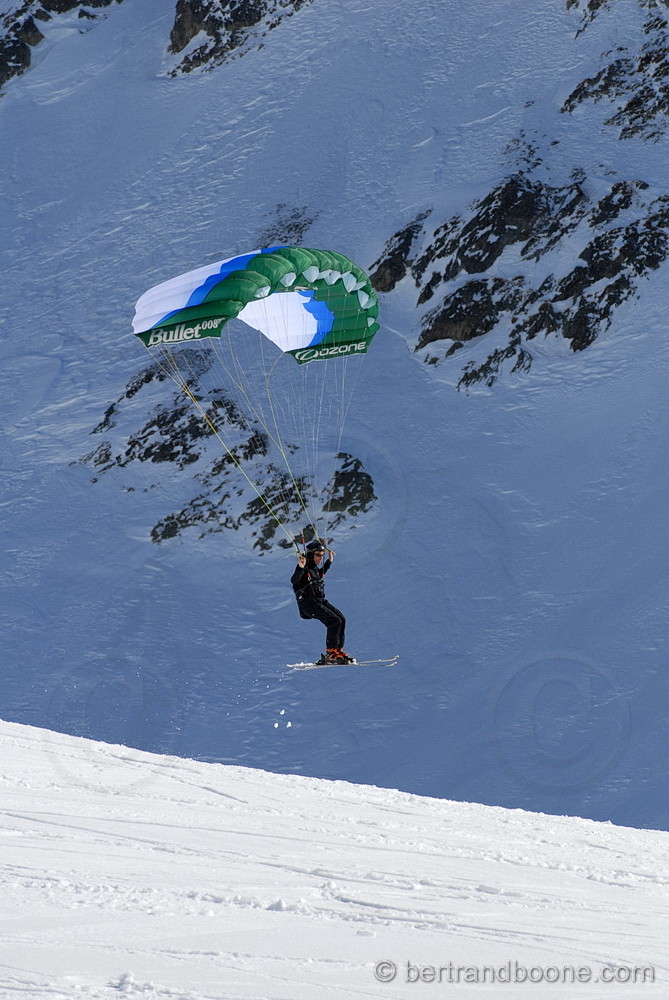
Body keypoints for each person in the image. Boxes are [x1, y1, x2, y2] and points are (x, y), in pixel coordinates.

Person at [291, 539, 354, 664]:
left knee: (341, 619)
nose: (321, 558)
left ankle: (337, 651)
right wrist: (300, 567)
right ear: (311, 554)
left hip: (319, 602)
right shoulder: (304, 568)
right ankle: (330, 653)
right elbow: (294, 580)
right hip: (309, 605)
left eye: (322, 555)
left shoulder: (313, 569)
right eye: (318, 555)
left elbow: (319, 575)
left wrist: (329, 561)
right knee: (334, 621)